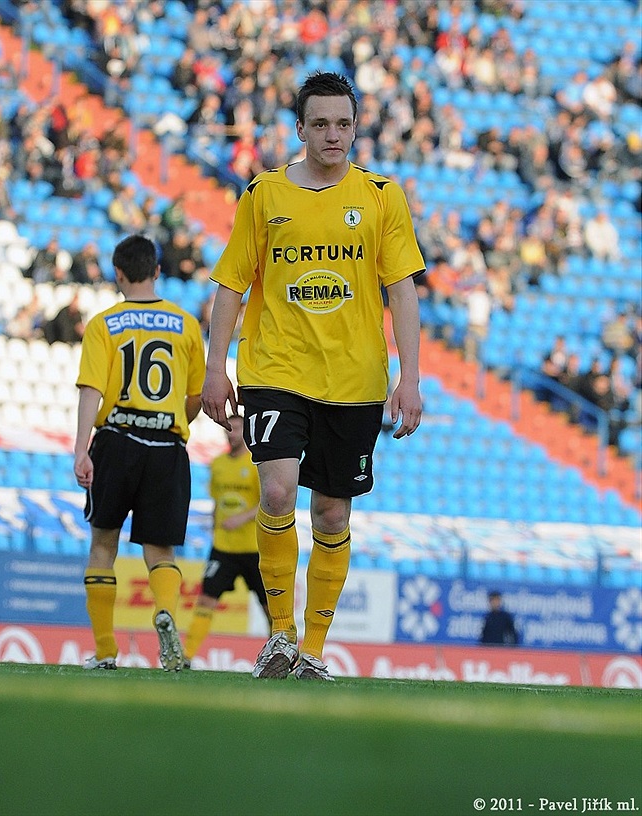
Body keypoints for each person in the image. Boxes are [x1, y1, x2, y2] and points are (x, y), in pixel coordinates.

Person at [201, 72, 425, 681]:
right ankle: (279, 634)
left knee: (332, 513)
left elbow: (401, 290)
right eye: (320, 124)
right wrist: (216, 367)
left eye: (343, 124)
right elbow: (230, 284)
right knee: (275, 491)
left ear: (357, 127)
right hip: (275, 368)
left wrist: (410, 377)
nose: (333, 134)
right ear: (300, 129)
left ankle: (314, 651)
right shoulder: (264, 194)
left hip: (354, 380)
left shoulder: (382, 196)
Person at [73, 234, 205, 672]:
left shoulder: (103, 324)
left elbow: (92, 387)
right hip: (167, 444)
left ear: (118, 274)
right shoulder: (186, 324)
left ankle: (107, 650)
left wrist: (81, 450)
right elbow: (195, 398)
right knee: (160, 551)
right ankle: (164, 611)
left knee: (103, 544)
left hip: (117, 438)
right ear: (157, 271)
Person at [183, 413, 271, 667]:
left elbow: (267, 503)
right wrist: (215, 527)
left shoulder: (256, 464)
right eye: (227, 430)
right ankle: (186, 656)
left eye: (235, 430)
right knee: (206, 600)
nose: (230, 434)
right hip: (223, 547)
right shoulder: (218, 464)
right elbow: (217, 501)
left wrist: (241, 519)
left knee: (269, 608)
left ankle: (280, 656)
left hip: (254, 549)